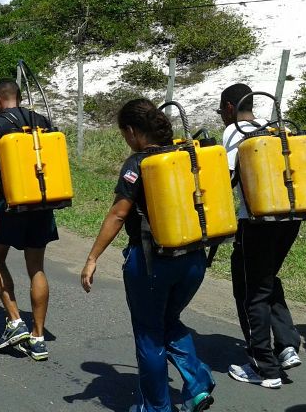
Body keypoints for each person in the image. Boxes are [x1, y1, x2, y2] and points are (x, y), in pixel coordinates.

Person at [80, 98, 215, 412]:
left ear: (131, 131)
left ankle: (156, 408)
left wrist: (92, 257)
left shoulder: (138, 162)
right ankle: (197, 385)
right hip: (194, 259)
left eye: (124, 134)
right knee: (169, 320)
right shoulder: (187, 153)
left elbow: (117, 215)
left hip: (153, 263)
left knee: (149, 334)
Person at [218, 83, 302, 389]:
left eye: (221, 111)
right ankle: (287, 345)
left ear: (229, 107)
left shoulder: (233, 131)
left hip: (255, 223)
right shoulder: (270, 129)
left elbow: (226, 177)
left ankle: (264, 368)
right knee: (267, 279)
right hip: (290, 219)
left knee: (249, 290)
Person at [0, 78, 58, 361]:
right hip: (42, 205)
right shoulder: (42, 120)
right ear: (18, 97)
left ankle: (15, 321)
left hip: (9, 206)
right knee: (37, 268)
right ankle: (38, 337)